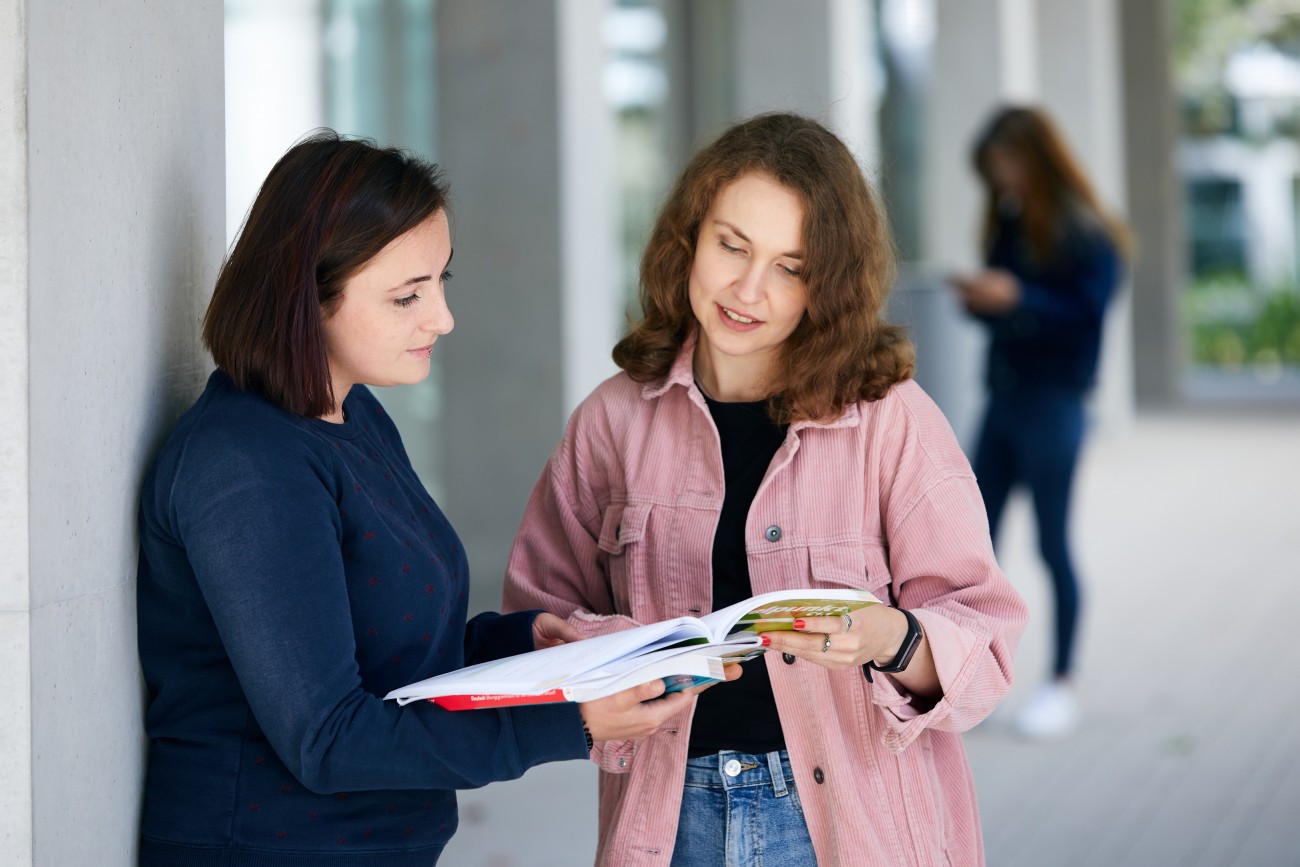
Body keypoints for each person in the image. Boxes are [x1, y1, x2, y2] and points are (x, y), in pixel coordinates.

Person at [135, 131, 698, 867]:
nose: (441, 318)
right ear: (305, 298)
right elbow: (327, 736)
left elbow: (388, 655)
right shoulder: (245, 465)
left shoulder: (353, 415)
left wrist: (529, 643)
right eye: (407, 295)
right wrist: (570, 722)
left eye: (441, 282)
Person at [503, 113, 1028, 866]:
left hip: (853, 826)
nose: (749, 289)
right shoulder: (612, 420)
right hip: (668, 817)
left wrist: (893, 637)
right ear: (689, 236)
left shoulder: (892, 420)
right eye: (732, 246)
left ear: (829, 284)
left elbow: (987, 644)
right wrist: (612, 651)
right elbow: (536, 619)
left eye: (792, 266)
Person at [950, 106, 1131, 739]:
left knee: (1053, 546)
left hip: (1055, 405)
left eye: (1007, 163)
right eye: (992, 168)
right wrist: (984, 301)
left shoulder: (1087, 231)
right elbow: (1010, 315)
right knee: (970, 548)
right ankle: (965, 678)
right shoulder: (1010, 220)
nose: (1000, 178)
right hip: (1003, 400)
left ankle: (1061, 684)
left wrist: (1018, 298)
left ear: (1036, 158)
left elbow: (1087, 318)